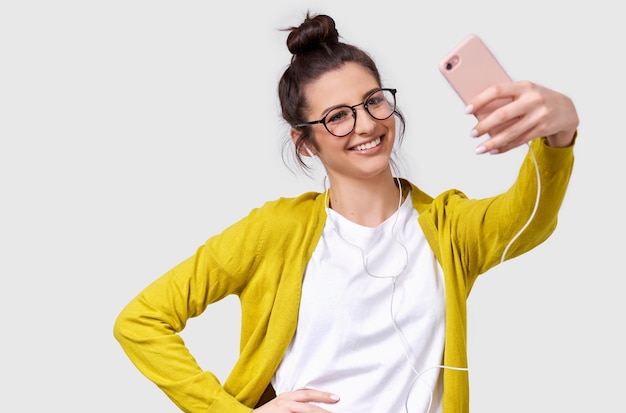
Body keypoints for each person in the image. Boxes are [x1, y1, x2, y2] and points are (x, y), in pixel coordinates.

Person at [113, 12, 578, 413]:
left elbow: (529, 217)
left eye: (374, 100)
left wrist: (561, 129)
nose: (368, 124)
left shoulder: (448, 229)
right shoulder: (275, 231)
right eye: (337, 116)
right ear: (305, 142)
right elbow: (141, 321)